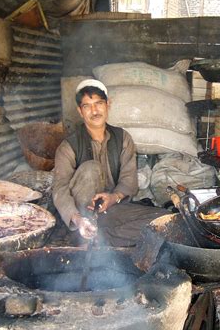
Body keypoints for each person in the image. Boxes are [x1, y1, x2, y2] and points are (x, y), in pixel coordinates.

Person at [53, 79, 167, 247]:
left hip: (111, 209)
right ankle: (86, 232)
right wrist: (77, 219)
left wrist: (113, 197)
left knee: (165, 220)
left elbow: (129, 181)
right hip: (82, 215)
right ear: (80, 111)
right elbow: (60, 190)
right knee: (91, 168)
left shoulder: (123, 138)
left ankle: (101, 237)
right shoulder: (68, 146)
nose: (94, 110)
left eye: (99, 103)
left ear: (108, 105)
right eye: (87, 106)